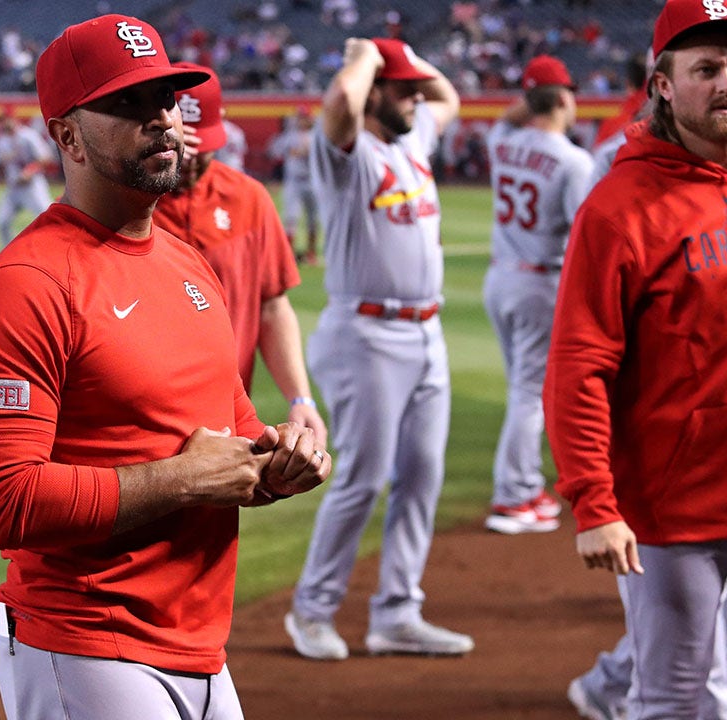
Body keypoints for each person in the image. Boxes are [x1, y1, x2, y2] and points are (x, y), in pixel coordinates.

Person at [0, 15, 330, 720]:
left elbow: (232, 435)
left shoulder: (186, 263)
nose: (160, 119)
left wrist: (280, 461)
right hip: (85, 642)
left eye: (166, 100)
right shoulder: (27, 283)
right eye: (127, 104)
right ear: (67, 137)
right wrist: (185, 478)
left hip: (198, 643)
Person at [545, 0, 727, 718]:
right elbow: (578, 363)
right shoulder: (619, 207)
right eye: (705, 69)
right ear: (662, 85)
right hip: (673, 510)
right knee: (675, 702)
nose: (725, 82)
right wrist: (594, 502)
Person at [284, 37, 470, 661]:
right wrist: (366, 54)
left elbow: (447, 94)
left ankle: (397, 612)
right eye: (402, 86)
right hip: (365, 335)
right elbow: (340, 98)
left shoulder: (412, 141)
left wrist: (406, 58)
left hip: (426, 333)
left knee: (421, 476)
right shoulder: (346, 154)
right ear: (375, 92)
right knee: (361, 478)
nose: (417, 95)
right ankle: (311, 610)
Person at [153, 62, 328, 448]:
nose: (194, 159)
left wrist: (300, 398)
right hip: (141, 426)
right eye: (186, 146)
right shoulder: (123, 205)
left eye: (206, 147)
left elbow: (272, 305)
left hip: (224, 421)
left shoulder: (249, 198)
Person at [481, 55, 592, 535]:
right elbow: (585, 231)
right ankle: (515, 494)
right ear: (566, 99)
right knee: (529, 395)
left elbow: (508, 118)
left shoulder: (503, 142)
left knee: (521, 391)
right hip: (539, 283)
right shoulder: (572, 159)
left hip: (500, 277)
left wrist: (530, 98)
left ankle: (523, 487)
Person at [0, 107, 54, 246]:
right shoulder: (1, 141)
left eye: (3, 120)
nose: (1, 124)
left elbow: (45, 157)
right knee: (1, 222)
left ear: (12, 119)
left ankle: (54, 248)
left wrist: (29, 171)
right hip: (13, 188)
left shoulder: (28, 135)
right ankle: (8, 254)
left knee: (49, 219)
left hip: (32, 187)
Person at [267, 105, 321, 264]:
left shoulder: (316, 136)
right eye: (299, 117)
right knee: (291, 218)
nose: (301, 120)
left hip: (312, 181)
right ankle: (288, 255)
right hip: (294, 182)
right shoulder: (289, 136)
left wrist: (304, 152)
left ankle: (311, 253)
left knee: (313, 219)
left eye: (304, 117)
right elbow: (273, 151)